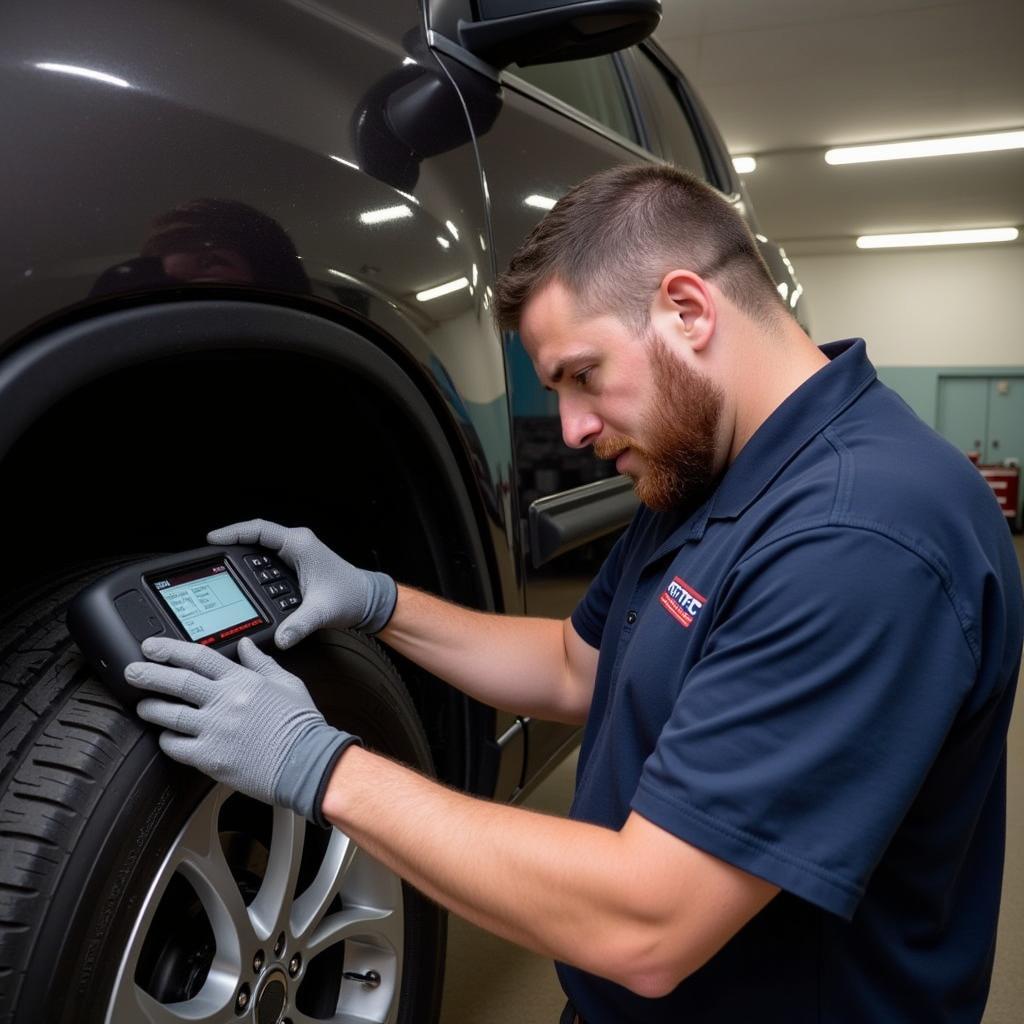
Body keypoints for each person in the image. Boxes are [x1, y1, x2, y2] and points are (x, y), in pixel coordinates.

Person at [123, 163, 1023, 1023]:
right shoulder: (713, 464)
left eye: (582, 376)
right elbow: (573, 666)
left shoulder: (858, 540)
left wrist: (319, 766)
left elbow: (649, 923)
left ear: (686, 308)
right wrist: (375, 599)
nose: (573, 428)